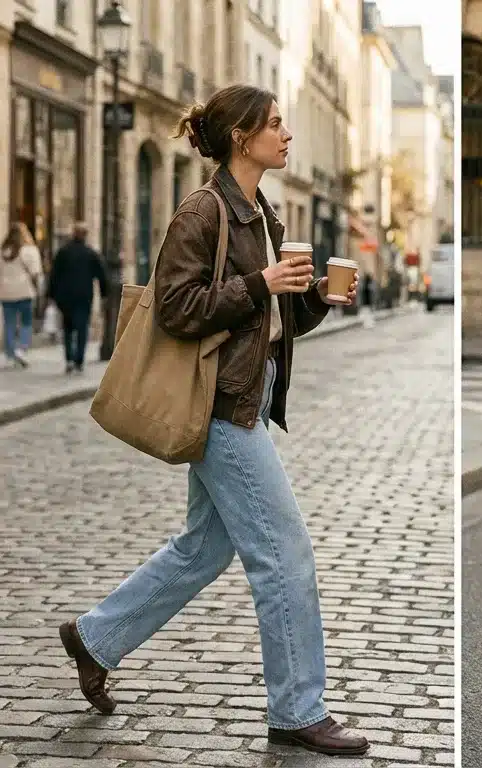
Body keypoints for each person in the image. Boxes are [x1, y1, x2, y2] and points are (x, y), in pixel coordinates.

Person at [58, 84, 369, 757]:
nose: (287, 136)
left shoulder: (262, 213)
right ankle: (297, 709)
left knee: (205, 547)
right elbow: (176, 307)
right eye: (277, 125)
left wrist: (312, 298)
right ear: (241, 136)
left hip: (247, 397)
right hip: (221, 408)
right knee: (284, 555)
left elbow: (270, 322)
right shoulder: (203, 210)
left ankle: (95, 636)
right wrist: (262, 284)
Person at [48, 223, 108, 373]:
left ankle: (69, 359)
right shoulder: (90, 253)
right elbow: (101, 275)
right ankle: (79, 360)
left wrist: (51, 294)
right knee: (82, 328)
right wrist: (104, 294)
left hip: (65, 296)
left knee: (68, 328)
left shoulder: (63, 252)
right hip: (84, 296)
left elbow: (54, 274)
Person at [0, 222, 43, 368]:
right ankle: (21, 348)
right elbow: (36, 272)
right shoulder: (30, 250)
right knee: (26, 323)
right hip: (25, 291)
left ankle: (10, 355)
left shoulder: (3, 251)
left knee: (9, 324)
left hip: (6, 293)